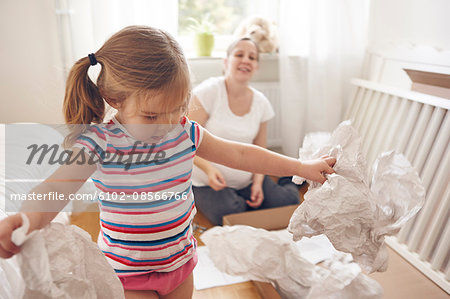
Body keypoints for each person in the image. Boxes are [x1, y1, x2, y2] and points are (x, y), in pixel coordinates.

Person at [0, 26, 335, 299]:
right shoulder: (97, 144)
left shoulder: (183, 130)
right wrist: (25, 219)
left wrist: (301, 167)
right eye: (152, 115)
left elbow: (241, 153)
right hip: (126, 273)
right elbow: (54, 190)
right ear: (116, 100)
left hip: (180, 264)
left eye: (179, 107)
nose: (168, 122)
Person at [189, 37, 300, 225]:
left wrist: (257, 184)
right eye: (239, 54)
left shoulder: (261, 103)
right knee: (230, 213)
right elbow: (186, 141)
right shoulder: (209, 92)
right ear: (226, 62)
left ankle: (289, 179)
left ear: (256, 67)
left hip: (247, 179)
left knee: (288, 201)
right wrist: (209, 169)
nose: (246, 60)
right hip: (206, 181)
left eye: (252, 57)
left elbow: (260, 149)